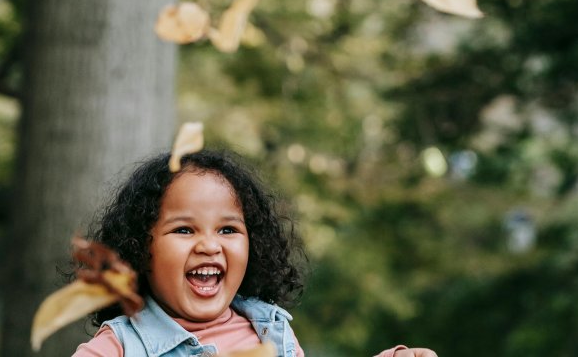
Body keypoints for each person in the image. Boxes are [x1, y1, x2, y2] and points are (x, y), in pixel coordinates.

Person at [72, 148, 437, 357]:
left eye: (228, 229)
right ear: (139, 250)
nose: (209, 245)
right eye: (184, 230)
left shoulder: (271, 332)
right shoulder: (116, 349)